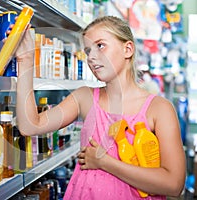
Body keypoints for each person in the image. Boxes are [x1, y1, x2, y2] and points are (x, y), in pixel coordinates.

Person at [14, 15, 186, 199]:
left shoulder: (159, 109)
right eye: (88, 51)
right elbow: (30, 126)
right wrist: (25, 61)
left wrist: (104, 162)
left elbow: (174, 184)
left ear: (127, 49)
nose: (92, 57)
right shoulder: (85, 97)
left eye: (100, 46)